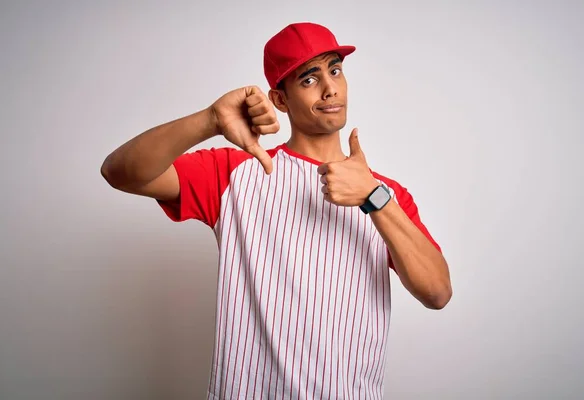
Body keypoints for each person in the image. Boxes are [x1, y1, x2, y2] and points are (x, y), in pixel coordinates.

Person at [101, 21, 452, 399]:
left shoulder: (386, 193)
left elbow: (437, 293)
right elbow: (121, 172)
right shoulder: (235, 173)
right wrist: (210, 121)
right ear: (280, 100)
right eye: (308, 79)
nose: (330, 87)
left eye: (335, 70)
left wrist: (372, 196)